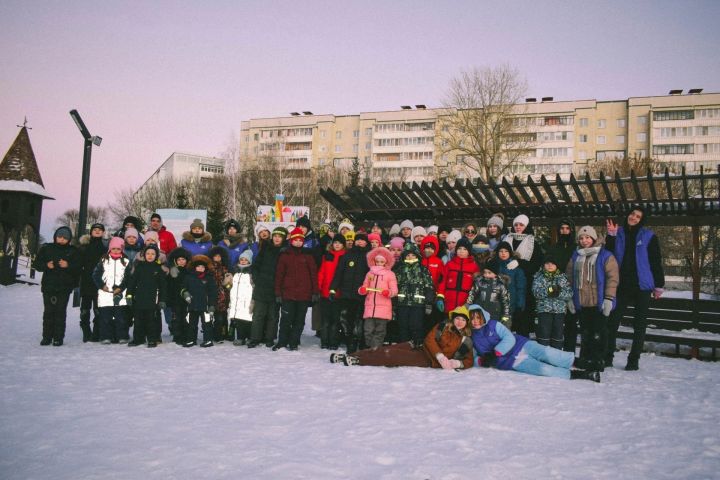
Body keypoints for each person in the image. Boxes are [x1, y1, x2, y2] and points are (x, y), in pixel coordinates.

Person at [469, 304, 600, 381]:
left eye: (478, 318)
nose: (475, 321)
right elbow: (473, 357)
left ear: (483, 316)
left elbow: (509, 338)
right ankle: (581, 374)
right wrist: (481, 361)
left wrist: (495, 352)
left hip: (521, 345)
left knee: (548, 354)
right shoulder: (472, 336)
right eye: (472, 319)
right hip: (510, 362)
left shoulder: (494, 325)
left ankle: (583, 363)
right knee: (543, 369)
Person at [604, 206, 665, 371]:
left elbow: (655, 261)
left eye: (638, 216)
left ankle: (633, 360)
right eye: (632, 214)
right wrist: (610, 236)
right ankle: (607, 357)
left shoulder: (649, 236)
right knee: (612, 322)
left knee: (639, 325)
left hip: (642, 287)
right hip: (621, 286)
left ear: (641, 220)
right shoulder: (618, 232)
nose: (634, 217)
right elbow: (607, 256)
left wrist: (659, 284)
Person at [330, 306, 474, 370]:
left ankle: (358, 361)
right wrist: (440, 355)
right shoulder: (443, 326)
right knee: (385, 349)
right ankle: (350, 356)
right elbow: (429, 339)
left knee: (391, 356)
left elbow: (469, 360)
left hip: (427, 360)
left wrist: (456, 363)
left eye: (462, 320)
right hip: (420, 348)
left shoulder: (465, 340)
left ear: (466, 322)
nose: (459, 322)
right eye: (457, 319)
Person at [566, 226, 619, 372]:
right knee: (585, 332)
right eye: (581, 238)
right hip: (582, 303)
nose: (584, 241)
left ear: (594, 238)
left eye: (587, 237)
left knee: (599, 333)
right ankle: (585, 359)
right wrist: (569, 298)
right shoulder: (575, 256)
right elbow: (569, 278)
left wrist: (609, 298)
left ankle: (598, 359)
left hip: (599, 302)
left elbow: (612, 278)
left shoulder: (605, 255)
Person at [273, 227, 319, 351]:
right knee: (286, 319)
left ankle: (294, 342)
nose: (298, 242)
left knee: (299, 320)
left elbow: (313, 274)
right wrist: (278, 292)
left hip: (304, 294)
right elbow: (279, 275)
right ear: (291, 241)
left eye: (300, 240)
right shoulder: (285, 255)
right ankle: (282, 341)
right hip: (288, 294)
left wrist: (315, 291)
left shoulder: (308, 256)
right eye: (296, 240)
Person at [33, 226, 80, 346]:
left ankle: (58, 338)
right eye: (60, 236)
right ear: (55, 237)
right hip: (49, 286)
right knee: (48, 312)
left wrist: (68, 265)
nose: (62, 239)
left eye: (65, 237)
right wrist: (46, 265)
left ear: (69, 239)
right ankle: (47, 337)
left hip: (64, 287)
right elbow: (36, 264)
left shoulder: (73, 251)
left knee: (60, 312)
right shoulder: (47, 248)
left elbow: (78, 268)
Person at [502, 214, 543, 337]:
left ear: (527, 226)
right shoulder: (507, 240)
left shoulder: (533, 243)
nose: (518, 227)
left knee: (523, 317)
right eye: (516, 225)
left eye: (521, 225)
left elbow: (536, 264)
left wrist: (520, 262)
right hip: (507, 283)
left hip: (524, 285)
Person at [329, 232, 370, 353]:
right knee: (347, 320)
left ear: (366, 243)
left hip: (362, 295)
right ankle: (350, 343)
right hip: (346, 294)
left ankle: (361, 343)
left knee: (360, 321)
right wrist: (333, 289)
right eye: (358, 240)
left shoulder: (369, 257)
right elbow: (338, 273)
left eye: (362, 240)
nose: (359, 242)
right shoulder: (347, 255)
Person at [249, 227, 287, 348]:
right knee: (258, 315)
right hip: (262, 287)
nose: (277, 238)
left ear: (284, 238)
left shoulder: (285, 251)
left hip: (276, 289)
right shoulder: (265, 248)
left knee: (273, 316)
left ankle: (269, 338)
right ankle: (255, 338)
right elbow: (255, 266)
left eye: (280, 236)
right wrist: (257, 279)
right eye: (275, 236)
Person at [125, 244, 167, 348]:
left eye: (153, 254)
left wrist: (162, 300)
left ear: (156, 255)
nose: (150, 255)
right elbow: (132, 283)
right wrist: (129, 295)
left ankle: (152, 339)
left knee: (151, 321)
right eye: (148, 253)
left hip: (153, 300)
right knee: (138, 320)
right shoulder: (139, 267)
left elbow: (163, 287)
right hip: (139, 299)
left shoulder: (158, 268)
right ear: (144, 255)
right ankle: (138, 339)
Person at [394, 242, 435, 347]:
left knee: (416, 326)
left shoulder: (423, 269)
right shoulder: (399, 269)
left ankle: (417, 348)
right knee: (402, 326)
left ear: (417, 255)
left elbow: (429, 287)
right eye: (407, 255)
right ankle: (403, 348)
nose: (410, 257)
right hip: (402, 304)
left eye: (413, 254)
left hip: (418, 305)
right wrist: (393, 304)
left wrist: (429, 303)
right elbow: (394, 287)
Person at [92, 236, 130, 344]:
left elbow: (128, 277)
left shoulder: (126, 261)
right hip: (105, 294)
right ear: (110, 249)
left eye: (118, 249)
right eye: (113, 248)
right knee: (105, 317)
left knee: (121, 317)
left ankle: (122, 336)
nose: (116, 251)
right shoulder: (103, 260)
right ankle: (106, 336)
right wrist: (101, 285)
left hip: (120, 294)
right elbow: (95, 275)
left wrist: (121, 288)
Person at [358, 247, 398, 350]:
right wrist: (362, 290)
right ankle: (369, 347)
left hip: (383, 308)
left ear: (386, 262)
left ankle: (375, 348)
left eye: (382, 261)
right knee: (368, 330)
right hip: (370, 307)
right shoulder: (370, 273)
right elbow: (365, 286)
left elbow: (394, 290)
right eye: (377, 261)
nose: (379, 263)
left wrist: (388, 292)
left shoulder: (390, 274)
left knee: (380, 331)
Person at [548, 218, 578, 352]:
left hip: (573, 287)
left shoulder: (577, 248)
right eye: (562, 228)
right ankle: (553, 350)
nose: (564, 231)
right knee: (555, 319)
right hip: (554, 286)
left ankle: (569, 351)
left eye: (567, 228)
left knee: (571, 322)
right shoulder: (553, 247)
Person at [532, 254, 573, 349]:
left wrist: (558, 293)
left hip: (559, 311)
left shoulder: (562, 277)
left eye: (553, 264)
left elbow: (569, 293)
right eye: (547, 263)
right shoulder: (539, 277)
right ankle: (542, 354)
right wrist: (549, 290)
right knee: (543, 333)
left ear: (557, 265)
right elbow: (535, 292)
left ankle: (556, 354)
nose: (550, 266)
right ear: (543, 265)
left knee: (558, 333)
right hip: (544, 310)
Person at [77, 222, 107, 342]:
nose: (97, 231)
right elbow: (78, 264)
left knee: (98, 309)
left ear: (103, 232)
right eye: (95, 229)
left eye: (100, 229)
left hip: (99, 283)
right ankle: (86, 331)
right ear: (91, 232)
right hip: (86, 282)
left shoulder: (105, 248)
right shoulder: (84, 247)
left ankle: (96, 332)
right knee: (85, 309)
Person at [181, 255, 218, 347]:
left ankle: (208, 340)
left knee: (207, 324)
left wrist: (212, 305)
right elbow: (183, 288)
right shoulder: (189, 277)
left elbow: (213, 292)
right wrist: (185, 293)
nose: (200, 268)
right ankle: (191, 340)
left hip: (205, 306)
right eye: (198, 266)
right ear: (194, 267)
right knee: (191, 324)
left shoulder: (209, 278)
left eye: (202, 267)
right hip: (192, 305)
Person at [436, 237, 480, 314]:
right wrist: (440, 297)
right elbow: (442, 281)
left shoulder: (474, 267)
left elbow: (476, 287)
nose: (461, 251)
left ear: (469, 252)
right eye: (459, 248)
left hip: (465, 305)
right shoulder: (449, 264)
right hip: (448, 303)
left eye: (465, 249)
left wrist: (471, 302)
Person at [317, 235, 346, 349]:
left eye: (339, 243)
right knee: (325, 320)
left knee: (336, 320)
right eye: (335, 243)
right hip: (326, 292)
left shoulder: (345, 256)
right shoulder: (327, 256)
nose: (337, 245)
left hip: (339, 293)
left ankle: (334, 342)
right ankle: (324, 342)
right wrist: (318, 287)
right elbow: (321, 273)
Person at [465, 258, 511, 327]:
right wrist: (468, 303)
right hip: (480, 310)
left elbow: (505, 300)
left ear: (495, 274)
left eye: (489, 273)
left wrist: (506, 314)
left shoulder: (500, 285)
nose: (486, 275)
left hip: (494, 312)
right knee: (480, 326)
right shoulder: (479, 282)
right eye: (485, 272)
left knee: (492, 327)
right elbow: (472, 293)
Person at [494, 241, 526, 329]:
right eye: (501, 251)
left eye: (506, 251)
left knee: (505, 328)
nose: (503, 253)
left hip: (510, 304)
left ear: (510, 253)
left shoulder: (517, 269)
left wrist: (520, 305)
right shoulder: (494, 266)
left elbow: (521, 288)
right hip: (494, 305)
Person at [227, 250, 254, 346]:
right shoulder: (235, 272)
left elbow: (254, 286)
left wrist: (253, 300)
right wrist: (227, 282)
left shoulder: (251, 273)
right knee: (238, 320)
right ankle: (240, 337)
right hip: (236, 301)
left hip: (247, 301)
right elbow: (229, 286)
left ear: (249, 261)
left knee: (247, 320)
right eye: (241, 259)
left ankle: (249, 337)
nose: (243, 261)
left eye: (245, 260)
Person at [166, 247, 192, 344]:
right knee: (176, 318)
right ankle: (177, 336)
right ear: (175, 261)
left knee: (187, 318)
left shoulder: (190, 271)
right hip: (175, 299)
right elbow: (168, 286)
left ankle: (187, 335)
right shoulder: (172, 272)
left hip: (187, 299)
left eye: (183, 259)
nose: (181, 262)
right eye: (179, 260)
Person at [208, 246, 233, 342]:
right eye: (216, 256)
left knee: (224, 316)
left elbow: (229, 283)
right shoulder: (210, 268)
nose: (218, 258)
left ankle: (225, 333)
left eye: (219, 256)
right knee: (217, 317)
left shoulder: (226, 268)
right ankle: (217, 335)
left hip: (224, 295)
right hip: (214, 295)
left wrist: (228, 285)